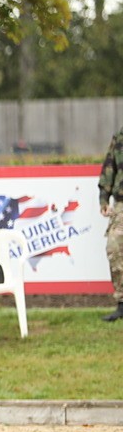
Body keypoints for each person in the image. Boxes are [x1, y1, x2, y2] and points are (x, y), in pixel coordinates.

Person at [99, 126, 123, 322]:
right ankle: (122, 303)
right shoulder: (120, 136)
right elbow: (109, 167)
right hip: (121, 205)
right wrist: (104, 198)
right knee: (114, 248)